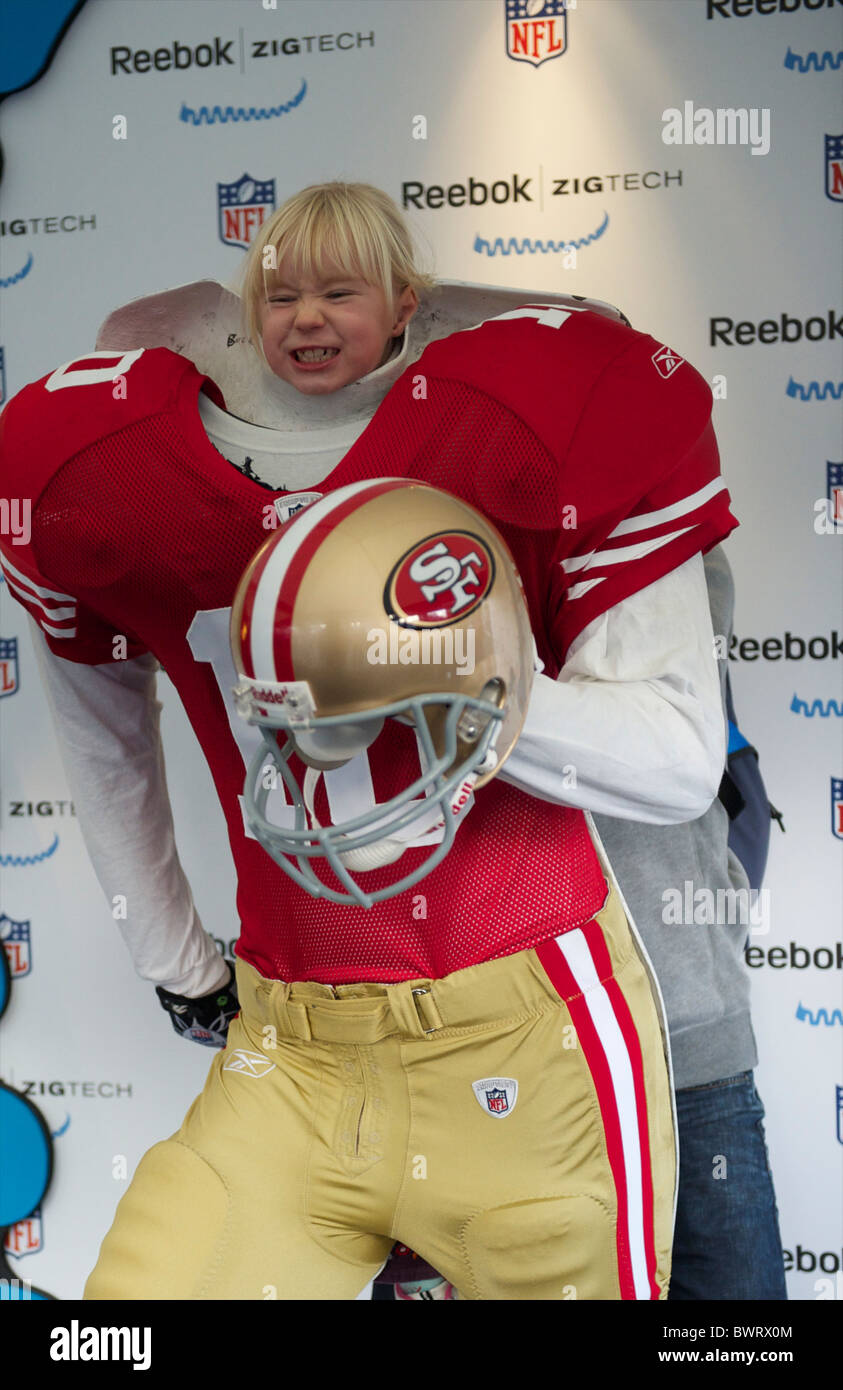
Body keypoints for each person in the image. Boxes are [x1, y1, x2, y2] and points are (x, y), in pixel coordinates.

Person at [0, 183, 736, 1299]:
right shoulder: (107, 468)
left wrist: (450, 674)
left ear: (406, 306)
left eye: (340, 290)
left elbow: (680, 757)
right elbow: (99, 729)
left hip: (523, 1029)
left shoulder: (536, 418)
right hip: (291, 1038)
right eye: (279, 293)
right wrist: (179, 963)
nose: (305, 317)